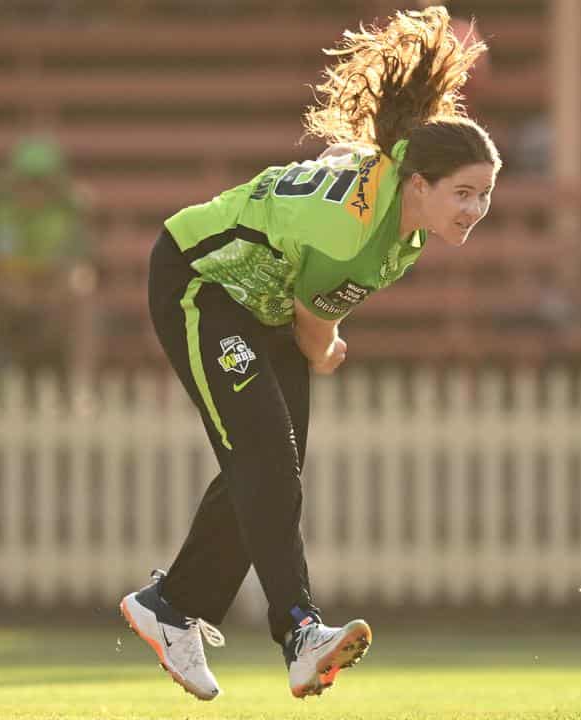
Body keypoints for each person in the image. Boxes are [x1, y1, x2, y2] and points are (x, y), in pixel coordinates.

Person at [120, 6, 499, 701]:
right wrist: (325, 352)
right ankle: (299, 630)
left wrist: (318, 334)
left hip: (265, 301)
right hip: (200, 285)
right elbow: (312, 326)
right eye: (463, 193)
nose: (474, 209)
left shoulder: (394, 198)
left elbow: (335, 180)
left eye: (484, 195)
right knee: (267, 457)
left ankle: (172, 606)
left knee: (270, 464)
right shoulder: (362, 241)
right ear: (420, 184)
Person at [0, 137, 98, 391]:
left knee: (85, 307)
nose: (33, 189)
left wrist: (48, 293)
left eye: (41, 182)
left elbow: (81, 271)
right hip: (2, 305)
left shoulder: (70, 213)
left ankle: (81, 394)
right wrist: (5, 288)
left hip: (51, 307)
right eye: (27, 180)